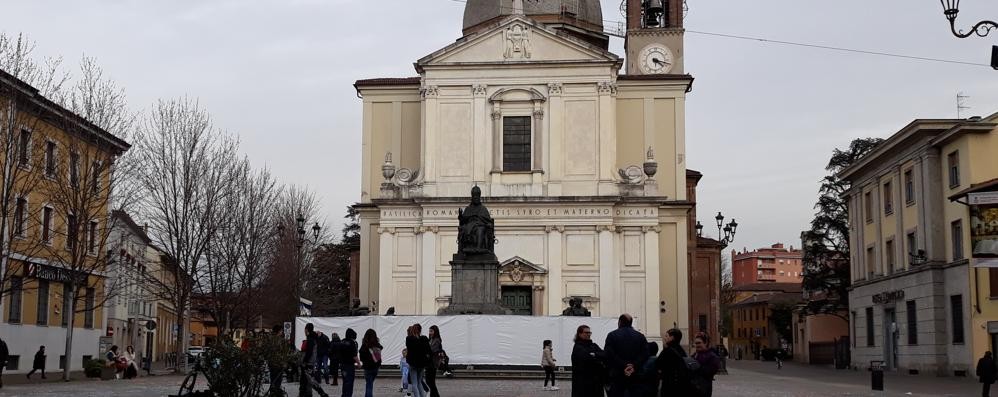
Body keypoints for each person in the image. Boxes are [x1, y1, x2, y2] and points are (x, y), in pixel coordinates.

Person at [604, 314, 649, 397]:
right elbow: (645, 354)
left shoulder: (612, 335)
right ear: (631, 323)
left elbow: (609, 354)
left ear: (619, 322)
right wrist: (633, 365)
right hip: (635, 374)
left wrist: (623, 365)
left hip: (617, 374)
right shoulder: (640, 336)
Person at [571, 325, 606, 397]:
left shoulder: (593, 345)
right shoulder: (578, 347)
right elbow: (587, 358)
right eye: (586, 332)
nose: (589, 334)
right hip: (583, 383)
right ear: (579, 334)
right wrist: (596, 356)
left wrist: (594, 354)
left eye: (590, 332)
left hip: (596, 382)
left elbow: (604, 354)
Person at [657, 329, 691, 397]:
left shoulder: (668, 351)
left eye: (666, 336)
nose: (664, 338)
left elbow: (658, 364)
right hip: (681, 385)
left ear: (672, 337)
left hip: (669, 385)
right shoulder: (681, 351)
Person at [300, 323, 331, 397]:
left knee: (310, 379)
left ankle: (322, 393)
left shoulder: (310, 339)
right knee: (304, 380)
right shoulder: (313, 338)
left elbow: (309, 352)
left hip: (308, 362)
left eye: (305, 329)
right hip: (311, 361)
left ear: (306, 329)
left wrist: (304, 361)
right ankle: (304, 394)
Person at [405, 324, 432, 397]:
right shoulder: (424, 338)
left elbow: (409, 350)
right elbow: (429, 351)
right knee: (419, 382)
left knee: (414, 383)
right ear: (420, 330)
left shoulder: (409, 338)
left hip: (413, 363)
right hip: (422, 364)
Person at [359, 329, 383, 397]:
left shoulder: (364, 346)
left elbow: (361, 358)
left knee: (369, 384)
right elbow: (379, 355)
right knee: (370, 383)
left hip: (367, 368)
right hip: (375, 367)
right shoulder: (377, 345)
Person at [340, 328, 361, 397]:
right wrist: (358, 363)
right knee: (349, 382)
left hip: (342, 364)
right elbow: (354, 355)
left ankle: (344, 395)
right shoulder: (352, 343)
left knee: (345, 381)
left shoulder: (342, 341)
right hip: (349, 365)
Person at [426, 325, 445, 397]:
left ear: (435, 331)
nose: (430, 332)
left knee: (430, 381)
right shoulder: (430, 339)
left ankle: (435, 395)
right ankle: (434, 395)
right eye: (429, 331)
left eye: (431, 331)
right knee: (430, 381)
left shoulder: (436, 340)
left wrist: (426, 351)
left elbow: (432, 350)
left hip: (433, 363)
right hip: (429, 362)